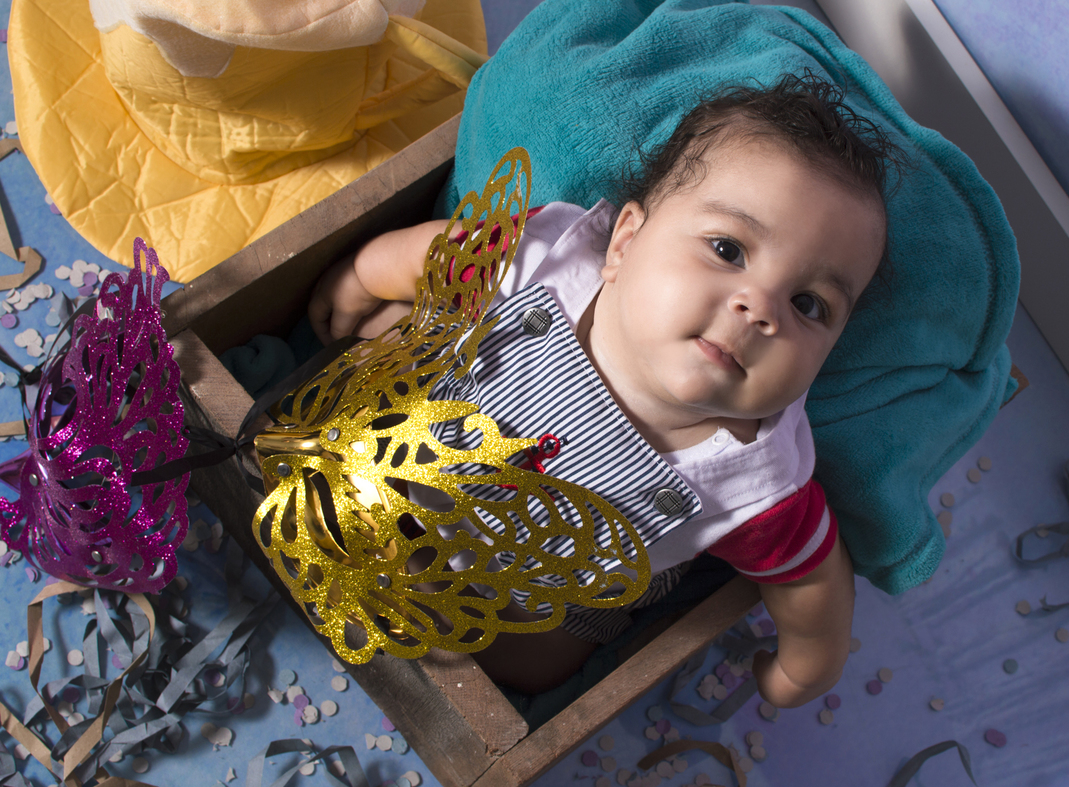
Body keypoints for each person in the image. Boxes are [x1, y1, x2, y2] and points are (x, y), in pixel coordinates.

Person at [307, 74, 897, 709]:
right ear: (625, 241)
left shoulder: (756, 481)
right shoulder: (548, 262)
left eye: (809, 305)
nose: (760, 309)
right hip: (418, 458)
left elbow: (812, 580)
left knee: (539, 663)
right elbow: (444, 253)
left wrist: (808, 666)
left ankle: (436, 614)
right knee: (394, 355)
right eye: (728, 249)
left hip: (531, 597)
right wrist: (363, 277)